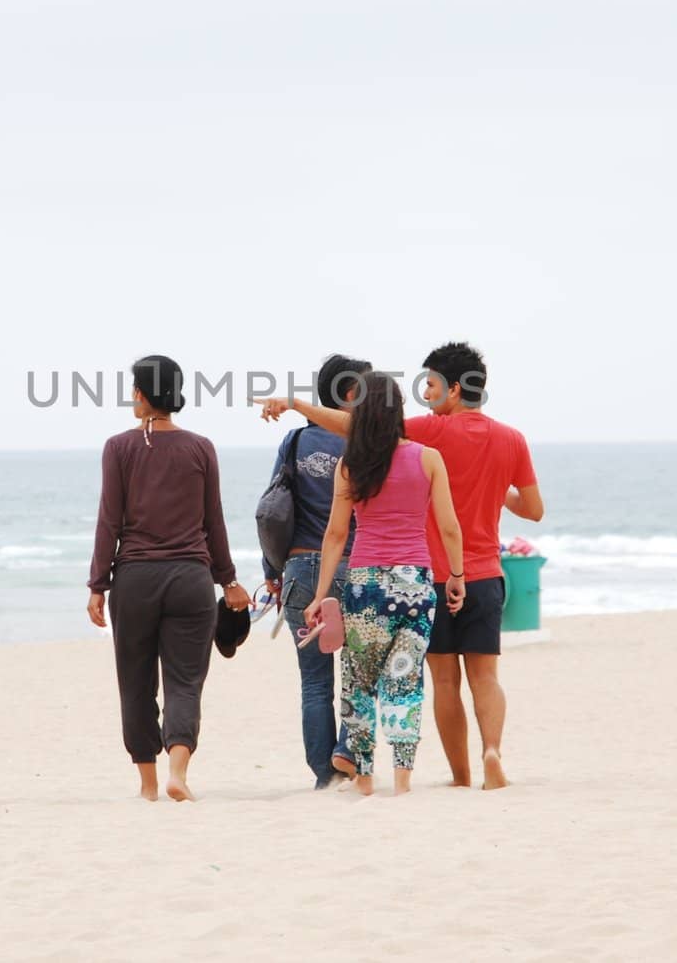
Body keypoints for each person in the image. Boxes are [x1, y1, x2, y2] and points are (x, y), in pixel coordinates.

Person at [262, 341, 543, 790]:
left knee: (437, 680)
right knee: (481, 676)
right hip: (479, 575)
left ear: (453, 390)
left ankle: (458, 775)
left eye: (430, 384)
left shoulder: (427, 434)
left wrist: (296, 404)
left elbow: (356, 426)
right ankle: (489, 751)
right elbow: (532, 509)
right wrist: (494, 490)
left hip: (419, 575)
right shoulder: (510, 439)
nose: (426, 392)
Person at [89, 354, 251, 802]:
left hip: (135, 580)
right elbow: (213, 521)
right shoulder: (201, 447)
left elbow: (109, 521)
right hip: (191, 579)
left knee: (136, 681)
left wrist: (97, 584)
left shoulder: (118, 448)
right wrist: (229, 580)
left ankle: (147, 785)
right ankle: (178, 772)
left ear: (141, 393)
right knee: (185, 680)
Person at [307, 371, 463, 795]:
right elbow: (449, 526)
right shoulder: (428, 458)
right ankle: (403, 780)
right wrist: (457, 575)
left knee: (359, 680)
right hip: (415, 583)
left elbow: (336, 534)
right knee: (405, 679)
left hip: (366, 585)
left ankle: (364, 779)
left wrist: (321, 594)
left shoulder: (350, 465)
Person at [262, 353, 372, 789]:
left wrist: (272, 571)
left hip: (299, 569)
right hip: (353, 567)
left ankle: (325, 776)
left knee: (313, 680)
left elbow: (274, 509)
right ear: (349, 393)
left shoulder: (293, 442)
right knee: (361, 671)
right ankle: (347, 750)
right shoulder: (364, 443)